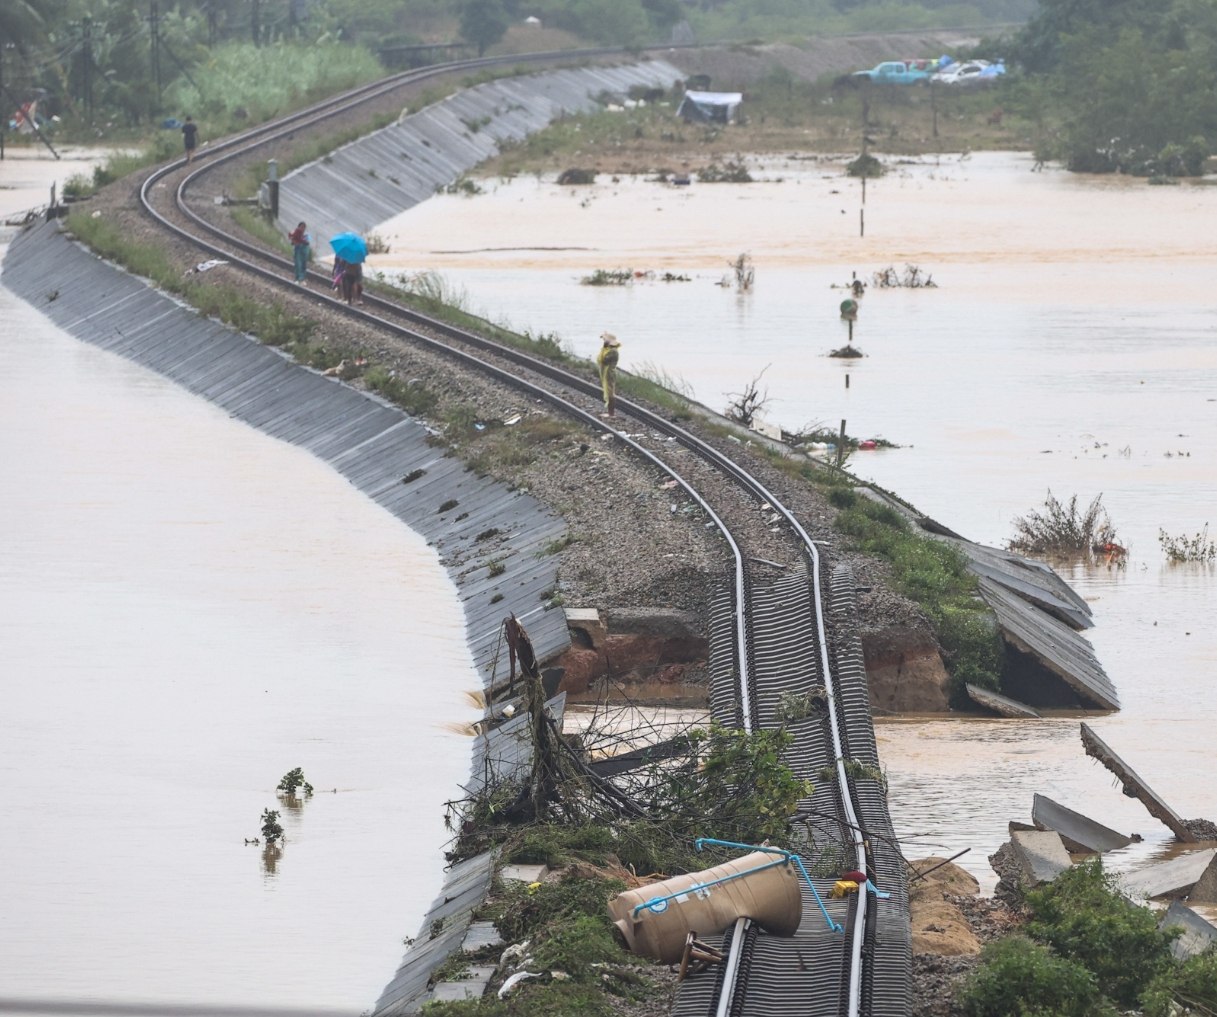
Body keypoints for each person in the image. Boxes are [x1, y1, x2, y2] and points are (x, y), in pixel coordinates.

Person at [597, 332, 621, 417]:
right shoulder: (609, 350)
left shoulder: (613, 351)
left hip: (609, 373)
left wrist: (603, 348)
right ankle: (610, 412)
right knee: (608, 391)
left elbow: (602, 360)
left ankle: (611, 413)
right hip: (607, 373)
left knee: (610, 392)